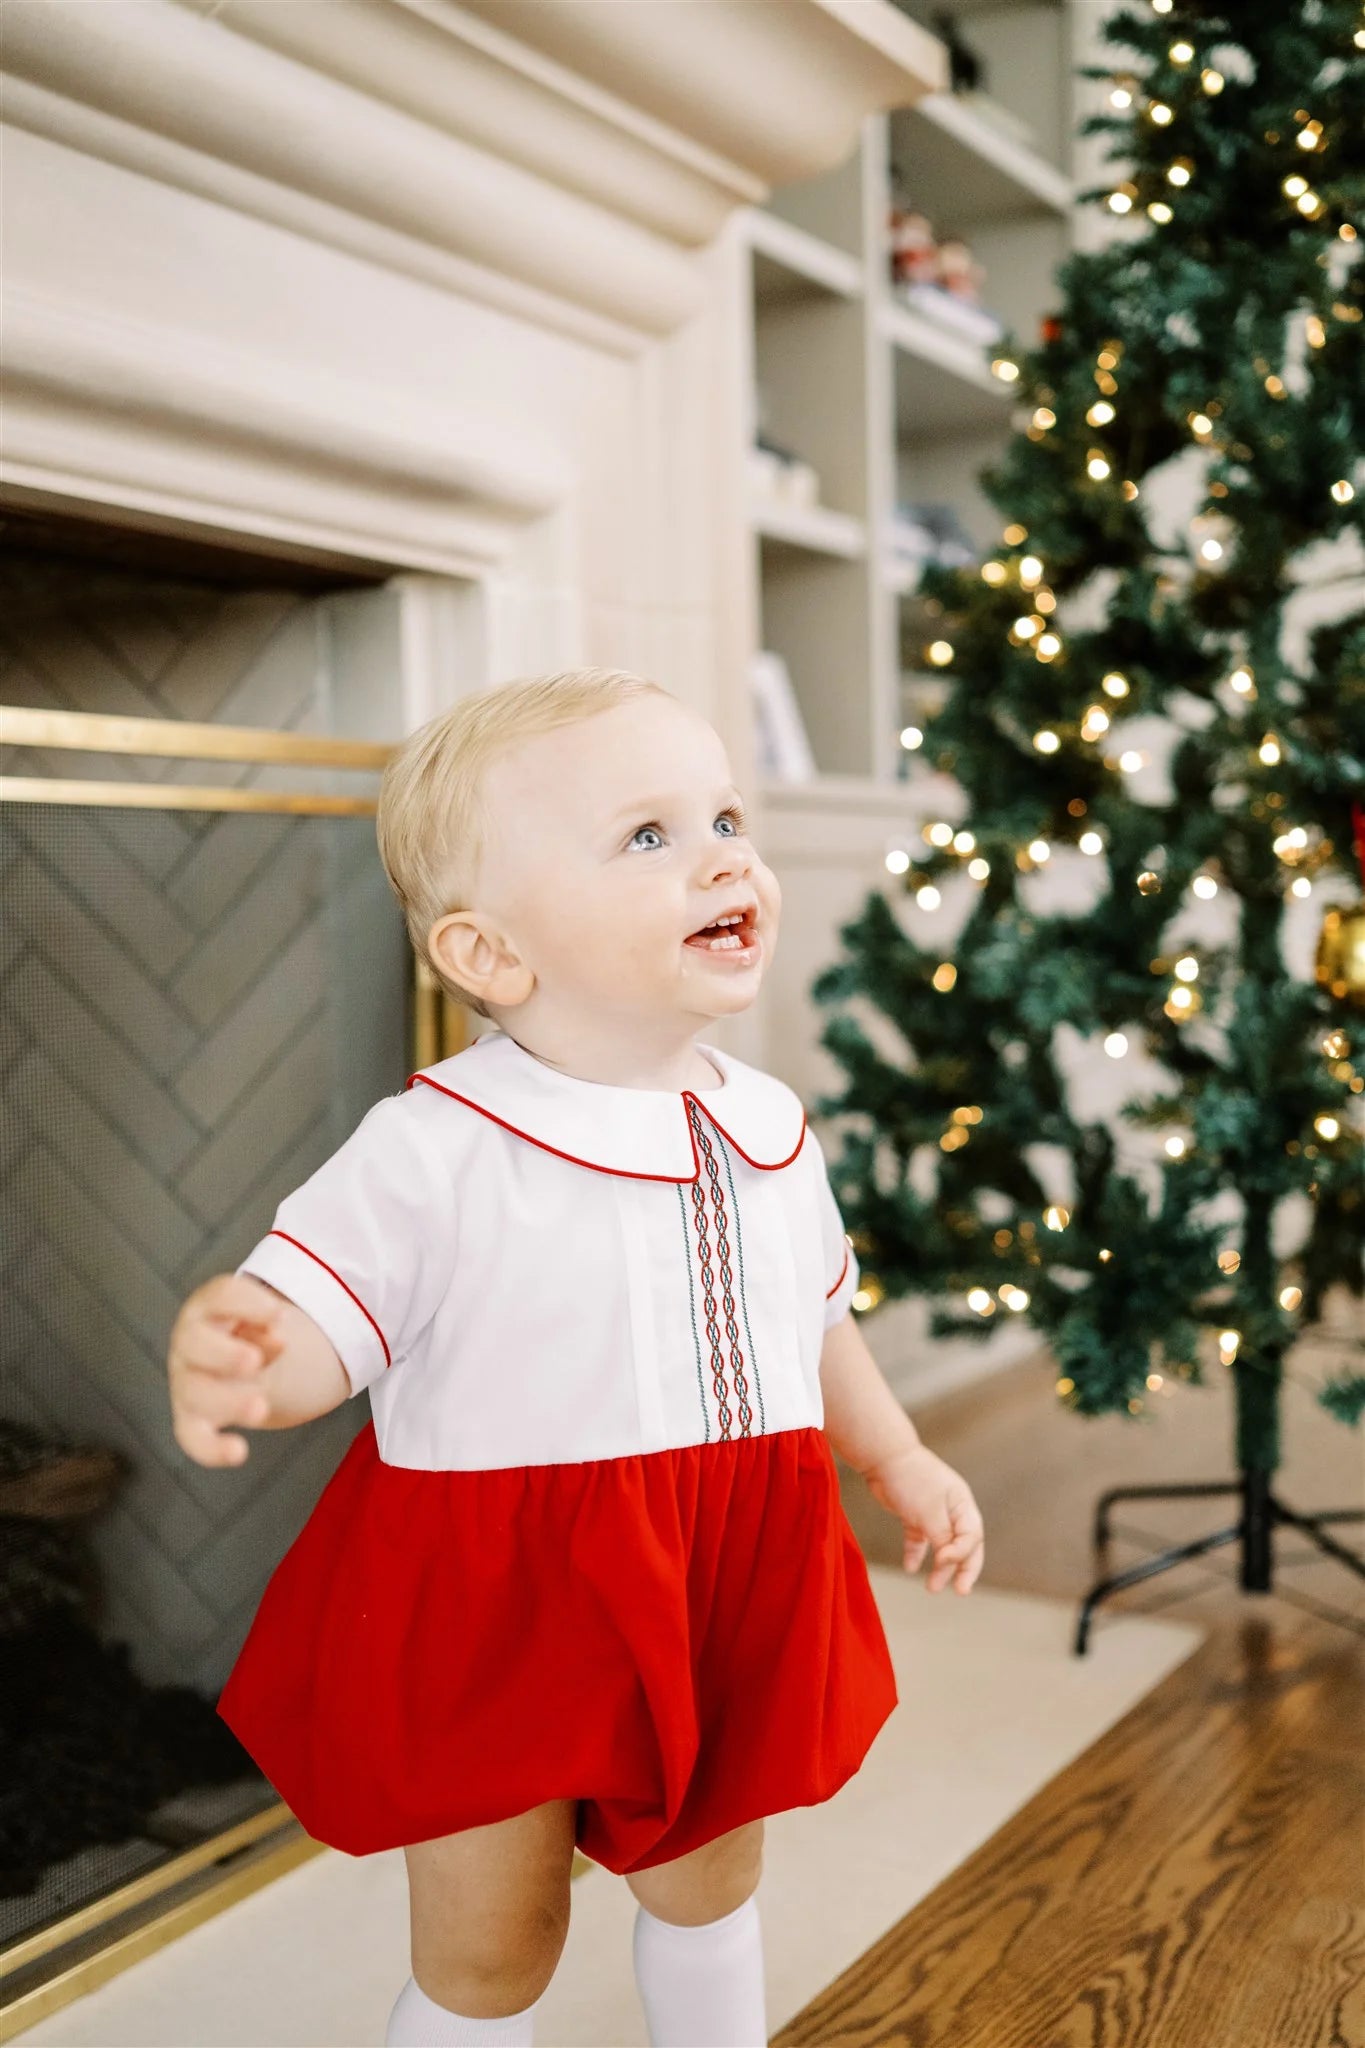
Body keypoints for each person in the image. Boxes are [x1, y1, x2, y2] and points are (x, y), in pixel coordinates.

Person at [165, 667, 985, 2048]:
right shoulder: (437, 1145)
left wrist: (894, 1454)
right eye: (649, 837)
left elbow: (813, 1319)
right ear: (488, 954)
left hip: (724, 1565)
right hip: (507, 1600)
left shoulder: (770, 1124)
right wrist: (253, 1357)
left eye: (724, 815)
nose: (724, 853)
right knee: (497, 1945)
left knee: (710, 1881)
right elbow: (323, 1325)